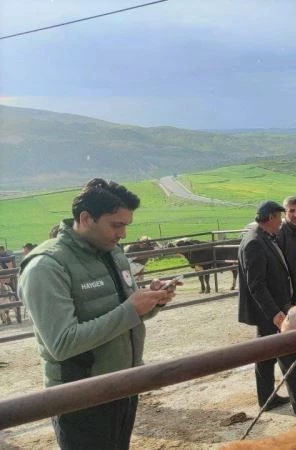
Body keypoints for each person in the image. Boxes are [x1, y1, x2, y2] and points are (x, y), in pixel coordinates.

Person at [17, 178, 176, 449]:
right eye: (116, 225)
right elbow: (62, 343)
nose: (123, 234)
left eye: (126, 225)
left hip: (123, 384)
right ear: (86, 218)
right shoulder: (46, 267)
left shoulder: (113, 253)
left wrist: (152, 301)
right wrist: (131, 309)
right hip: (80, 397)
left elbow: (125, 312)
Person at [237, 200, 296, 418]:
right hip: (270, 311)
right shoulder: (254, 242)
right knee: (288, 353)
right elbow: (257, 285)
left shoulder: (260, 237)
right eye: (280, 217)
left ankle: (267, 398)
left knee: (265, 353)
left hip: (269, 309)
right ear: (271, 217)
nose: (281, 221)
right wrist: (275, 314)